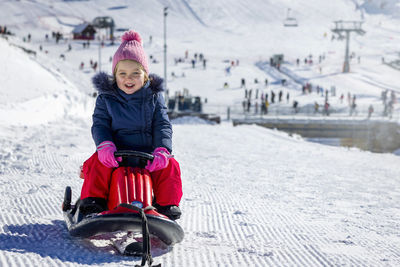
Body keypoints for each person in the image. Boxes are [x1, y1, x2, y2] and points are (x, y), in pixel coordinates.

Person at [79, 30, 183, 220]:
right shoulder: (106, 98)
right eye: (123, 73)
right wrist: (105, 145)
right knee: (97, 163)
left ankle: (166, 206)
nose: (129, 78)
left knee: (171, 166)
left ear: (145, 76)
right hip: (115, 153)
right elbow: (100, 124)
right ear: (115, 75)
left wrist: (162, 150)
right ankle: (93, 202)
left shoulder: (153, 97)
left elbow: (162, 125)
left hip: (148, 155)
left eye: (136, 73)